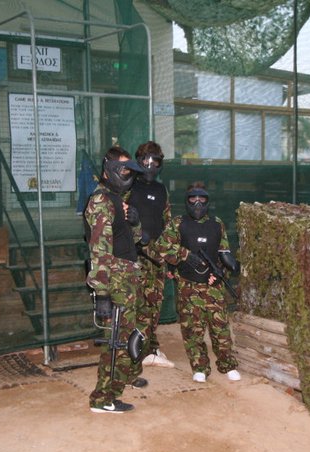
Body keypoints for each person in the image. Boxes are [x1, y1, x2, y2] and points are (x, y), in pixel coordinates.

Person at [83, 145, 148, 414]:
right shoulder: (102, 201)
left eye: (130, 171)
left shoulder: (116, 200)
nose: (128, 176)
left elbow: (135, 240)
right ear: (109, 170)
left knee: (127, 338)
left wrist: (135, 221)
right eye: (123, 170)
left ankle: (114, 390)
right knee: (116, 342)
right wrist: (101, 293)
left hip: (127, 278)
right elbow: (99, 250)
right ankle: (102, 399)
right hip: (115, 279)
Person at [155, 181, 240, 383]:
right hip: (188, 286)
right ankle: (199, 367)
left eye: (202, 198)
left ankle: (227, 365)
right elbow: (161, 247)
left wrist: (223, 271)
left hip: (213, 286)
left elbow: (224, 252)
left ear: (208, 200)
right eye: (193, 198)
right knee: (192, 330)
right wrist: (185, 255)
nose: (198, 203)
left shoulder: (216, 224)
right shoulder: (178, 223)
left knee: (220, 329)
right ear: (187, 200)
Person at [127, 141, 175, 368]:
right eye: (146, 160)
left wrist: (169, 256)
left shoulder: (160, 190)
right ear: (138, 161)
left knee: (154, 304)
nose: (150, 165)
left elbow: (168, 223)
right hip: (134, 256)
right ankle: (137, 350)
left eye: (155, 161)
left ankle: (150, 347)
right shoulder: (128, 187)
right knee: (139, 305)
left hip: (157, 256)